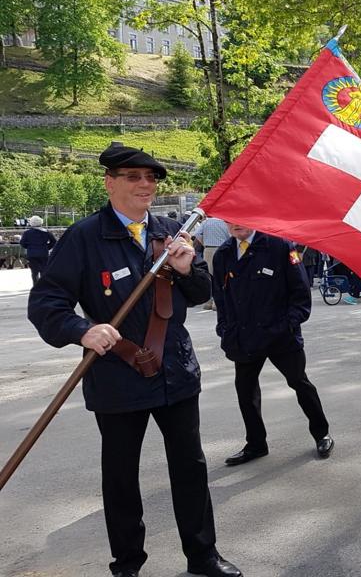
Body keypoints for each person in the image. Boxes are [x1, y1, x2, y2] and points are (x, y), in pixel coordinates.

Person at [27, 143, 241, 577]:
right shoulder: (85, 237)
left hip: (175, 371)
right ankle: (127, 563)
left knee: (191, 468)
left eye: (151, 178)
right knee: (121, 476)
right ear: (110, 182)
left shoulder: (171, 232)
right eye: (133, 177)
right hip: (117, 377)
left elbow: (201, 295)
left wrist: (186, 269)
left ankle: (203, 557)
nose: (145, 185)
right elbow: (46, 302)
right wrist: (81, 330)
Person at [212, 224, 334, 465]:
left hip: (280, 336)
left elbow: (300, 293)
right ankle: (256, 444)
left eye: (241, 217)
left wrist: (288, 324)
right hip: (244, 337)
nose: (236, 224)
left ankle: (322, 433)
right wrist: (225, 328)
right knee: (245, 392)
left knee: (300, 383)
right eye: (230, 219)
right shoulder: (224, 253)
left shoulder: (279, 246)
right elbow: (220, 296)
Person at [195, 216, 230, 310]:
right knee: (220, 276)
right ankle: (216, 303)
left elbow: (197, 233)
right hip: (222, 249)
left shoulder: (205, 222)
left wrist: (204, 243)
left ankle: (208, 302)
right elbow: (230, 237)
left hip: (208, 249)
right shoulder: (224, 223)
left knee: (209, 275)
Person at [19, 215, 56, 284]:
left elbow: (22, 243)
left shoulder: (27, 233)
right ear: (41, 222)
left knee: (34, 272)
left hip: (32, 254)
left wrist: (29, 247)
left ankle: (35, 286)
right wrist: (47, 247)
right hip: (43, 253)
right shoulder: (46, 232)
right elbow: (53, 241)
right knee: (44, 271)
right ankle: (43, 286)